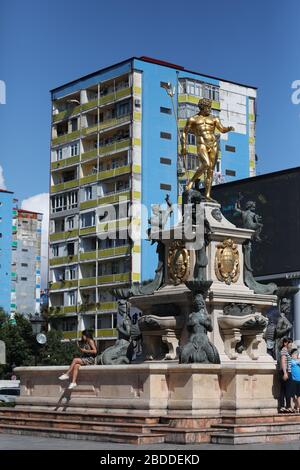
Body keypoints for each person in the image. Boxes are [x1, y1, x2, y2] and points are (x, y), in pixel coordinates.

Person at [278, 337, 293, 413]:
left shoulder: (286, 351)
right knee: (287, 390)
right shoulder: (284, 350)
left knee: (284, 390)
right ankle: (287, 406)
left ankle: (283, 406)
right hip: (286, 371)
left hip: (286, 371)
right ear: (285, 343)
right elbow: (283, 362)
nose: (291, 344)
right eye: (290, 343)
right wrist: (285, 373)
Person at [290, 348, 300, 413]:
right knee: (294, 395)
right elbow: (295, 363)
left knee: (299, 395)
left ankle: (298, 407)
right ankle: (297, 406)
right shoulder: (291, 361)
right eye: (294, 354)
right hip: (293, 380)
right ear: (291, 355)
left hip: (299, 381)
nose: (295, 355)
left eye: (296, 354)